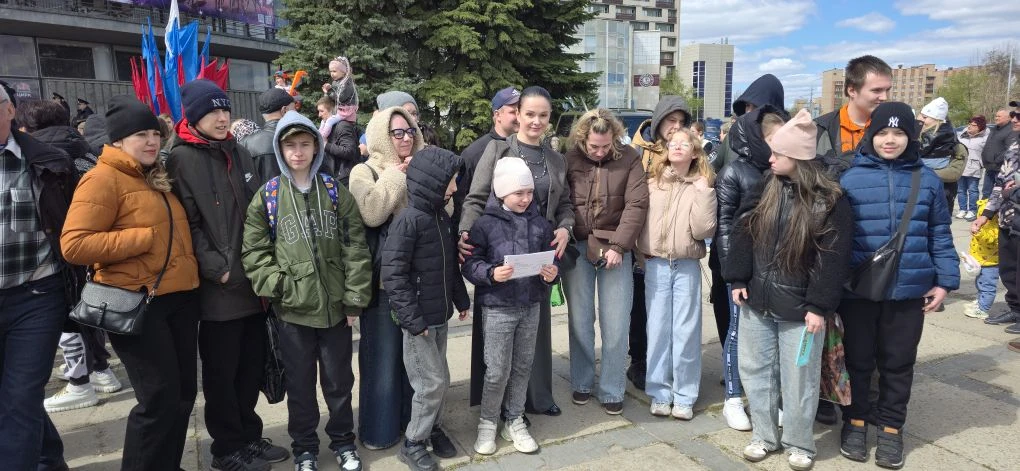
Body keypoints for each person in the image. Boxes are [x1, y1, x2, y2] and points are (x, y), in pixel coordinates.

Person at [60, 95, 200, 471]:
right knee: (158, 399)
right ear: (119, 140)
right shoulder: (102, 179)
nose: (152, 141)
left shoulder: (154, 173)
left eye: (155, 133)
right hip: (136, 304)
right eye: (141, 134)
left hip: (178, 300)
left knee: (182, 395)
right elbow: (74, 245)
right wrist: (140, 238)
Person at [242, 110, 372, 471]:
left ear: (316, 146)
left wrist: (354, 299)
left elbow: (355, 247)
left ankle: (343, 442)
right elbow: (254, 253)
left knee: (339, 383)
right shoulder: (268, 196)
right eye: (290, 146)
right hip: (293, 314)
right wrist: (281, 287)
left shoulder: (334, 191)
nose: (298, 152)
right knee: (300, 387)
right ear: (280, 150)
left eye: (304, 144)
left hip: (335, 311)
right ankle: (304, 449)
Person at [166, 79, 286, 470]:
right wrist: (217, 269)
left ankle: (249, 436)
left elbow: (257, 207)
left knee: (250, 366)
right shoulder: (182, 159)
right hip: (218, 287)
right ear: (194, 117)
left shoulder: (237, 149)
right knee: (222, 373)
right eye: (213, 112)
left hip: (253, 279)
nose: (222, 118)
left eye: (225, 110)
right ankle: (226, 448)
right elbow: (186, 224)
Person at [726, 109, 854, 471]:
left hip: (801, 310)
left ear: (797, 157)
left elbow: (833, 256)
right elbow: (743, 229)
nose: (770, 159)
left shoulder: (830, 199)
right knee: (756, 371)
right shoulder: (766, 185)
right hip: (758, 301)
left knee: (799, 379)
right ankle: (764, 436)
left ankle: (800, 443)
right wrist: (738, 278)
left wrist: (819, 305)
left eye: (778, 153)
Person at [839, 102, 960, 469]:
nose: (889, 140)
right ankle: (855, 422)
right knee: (858, 360)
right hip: (859, 289)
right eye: (882, 133)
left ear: (911, 137)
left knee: (898, 363)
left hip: (909, 289)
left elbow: (940, 232)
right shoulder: (849, 178)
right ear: (871, 135)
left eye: (898, 133)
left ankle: (891, 427)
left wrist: (945, 280)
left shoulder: (927, 179)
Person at [459, 86, 575, 420]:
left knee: (534, 331)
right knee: (499, 340)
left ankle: (534, 398)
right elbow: (476, 197)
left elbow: (565, 205)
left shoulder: (556, 159)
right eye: (530, 114)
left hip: (538, 251)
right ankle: (496, 408)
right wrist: (465, 231)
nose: (536, 121)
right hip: (500, 253)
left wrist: (565, 228)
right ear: (518, 114)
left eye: (543, 115)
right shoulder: (498, 150)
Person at [15, 99, 123, 412]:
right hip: (95, 247)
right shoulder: (86, 149)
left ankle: (80, 382)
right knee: (86, 310)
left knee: (68, 318)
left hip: (59, 253)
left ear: (27, 127)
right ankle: (100, 369)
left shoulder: (40, 157)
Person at [0, 81, 79, 471]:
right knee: (15, 398)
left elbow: (76, 224)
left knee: (20, 397)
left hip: (36, 297)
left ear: (10, 111)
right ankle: (49, 459)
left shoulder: (50, 161)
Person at [382, 147, 470, 471]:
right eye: (451, 182)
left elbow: (449, 266)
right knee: (429, 383)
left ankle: (433, 427)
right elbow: (393, 274)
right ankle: (413, 443)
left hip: (439, 316)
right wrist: (413, 320)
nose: (455, 188)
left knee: (441, 378)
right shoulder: (409, 221)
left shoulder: (441, 218)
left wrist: (461, 299)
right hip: (419, 324)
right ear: (434, 182)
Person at [462, 157, 557, 455]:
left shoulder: (540, 224)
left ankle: (514, 418)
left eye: (529, 192)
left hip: (531, 305)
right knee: (497, 369)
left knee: (523, 365)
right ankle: (488, 421)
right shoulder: (484, 225)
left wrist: (552, 274)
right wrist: (491, 273)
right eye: (519, 193)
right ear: (502, 192)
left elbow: (551, 258)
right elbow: (470, 263)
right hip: (498, 307)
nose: (525, 199)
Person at [563, 108, 648, 415]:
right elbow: (563, 201)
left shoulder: (629, 158)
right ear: (582, 139)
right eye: (593, 146)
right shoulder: (570, 159)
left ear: (614, 138)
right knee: (580, 320)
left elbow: (637, 204)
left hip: (615, 247)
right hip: (578, 245)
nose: (600, 152)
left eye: (605, 146)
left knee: (616, 322)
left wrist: (619, 245)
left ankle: (612, 387)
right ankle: (582, 381)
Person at [348, 105, 423, 450]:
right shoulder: (363, 171)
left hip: (418, 279)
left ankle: (414, 426)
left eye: (409, 131)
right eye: (397, 132)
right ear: (381, 135)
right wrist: (396, 175)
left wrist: (423, 177)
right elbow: (372, 213)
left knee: (415, 363)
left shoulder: (421, 164)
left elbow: (445, 209)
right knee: (382, 360)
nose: (405, 138)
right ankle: (378, 430)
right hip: (382, 283)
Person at [713, 105, 788, 431]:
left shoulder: (785, 170)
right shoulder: (734, 173)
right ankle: (732, 398)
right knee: (737, 332)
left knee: (773, 336)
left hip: (778, 270)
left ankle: (772, 399)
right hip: (744, 269)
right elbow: (725, 228)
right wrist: (734, 274)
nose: (777, 147)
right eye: (773, 140)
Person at [638, 128, 715, 420]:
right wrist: (641, 252)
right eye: (673, 143)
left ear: (695, 152)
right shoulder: (652, 183)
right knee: (657, 330)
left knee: (686, 332)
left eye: (685, 143)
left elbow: (703, 230)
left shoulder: (701, 185)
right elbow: (639, 221)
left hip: (686, 265)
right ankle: (660, 392)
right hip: (656, 264)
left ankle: (684, 395)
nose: (678, 147)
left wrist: (704, 192)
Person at [628, 95, 691, 391]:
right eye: (671, 120)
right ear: (658, 121)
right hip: (640, 243)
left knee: (673, 313)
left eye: (681, 122)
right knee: (641, 306)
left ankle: (669, 365)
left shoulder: (686, 151)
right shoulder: (637, 151)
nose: (675, 127)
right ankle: (639, 360)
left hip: (674, 246)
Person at [456, 87, 520, 261]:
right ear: (497, 115)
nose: (519, 116)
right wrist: (463, 233)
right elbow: (462, 199)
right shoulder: (475, 152)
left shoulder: (527, 148)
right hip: (487, 245)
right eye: (513, 112)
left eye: (520, 111)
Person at [972, 108, 1020, 331]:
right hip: (1008, 219)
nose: (1014, 119)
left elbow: (1010, 188)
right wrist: (986, 214)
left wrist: (1014, 191)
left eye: (1019, 116)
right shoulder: (1014, 147)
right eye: (1014, 115)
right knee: (1009, 269)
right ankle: (1016, 310)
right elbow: (1000, 183)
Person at [815, 55, 893, 175]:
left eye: (887, 90)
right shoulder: (818, 129)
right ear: (852, 90)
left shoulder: (895, 129)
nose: (884, 97)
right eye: (876, 90)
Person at [714, 73, 786, 171]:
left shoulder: (787, 144)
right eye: (747, 105)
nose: (749, 111)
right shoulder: (732, 138)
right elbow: (711, 169)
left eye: (756, 107)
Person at [917, 97, 965, 214]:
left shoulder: (956, 146)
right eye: (920, 115)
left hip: (941, 194)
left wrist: (921, 173)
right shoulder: (912, 139)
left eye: (925, 117)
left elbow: (954, 173)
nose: (920, 119)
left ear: (937, 121)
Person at [240, 88, 296, 184]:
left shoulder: (243, 143)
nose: (296, 113)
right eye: (294, 109)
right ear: (284, 110)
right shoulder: (300, 140)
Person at [315, 96, 361, 187]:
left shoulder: (343, 126)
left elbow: (350, 151)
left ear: (332, 110)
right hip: (333, 177)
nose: (319, 115)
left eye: (322, 111)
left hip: (344, 180)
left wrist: (326, 145)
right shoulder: (328, 127)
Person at [965, 198, 999, 320]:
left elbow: (990, 239)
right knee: (980, 283)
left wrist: (979, 233)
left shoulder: (995, 228)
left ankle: (983, 309)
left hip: (990, 263)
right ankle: (980, 302)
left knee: (987, 287)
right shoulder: (983, 226)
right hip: (980, 260)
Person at [957, 116, 989, 220]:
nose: (970, 126)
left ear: (980, 127)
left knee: (973, 190)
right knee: (961, 190)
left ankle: (972, 210)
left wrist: (982, 164)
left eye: (974, 125)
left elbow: (987, 153)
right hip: (961, 166)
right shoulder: (962, 135)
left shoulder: (985, 138)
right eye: (969, 124)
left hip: (974, 167)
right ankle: (962, 209)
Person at [981, 108, 1018, 199]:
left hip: (1000, 169)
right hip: (989, 168)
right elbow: (988, 145)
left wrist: (996, 160)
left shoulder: (1011, 130)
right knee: (986, 193)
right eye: (996, 116)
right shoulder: (994, 129)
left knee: (998, 195)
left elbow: (1009, 150)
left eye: (999, 116)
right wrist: (984, 157)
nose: (996, 118)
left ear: (1008, 118)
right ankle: (984, 208)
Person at [319, 56, 359, 140]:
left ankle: (321, 138)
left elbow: (340, 98)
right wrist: (329, 89)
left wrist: (329, 91)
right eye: (330, 71)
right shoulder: (336, 82)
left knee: (329, 121)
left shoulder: (347, 83)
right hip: (339, 109)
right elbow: (333, 96)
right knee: (324, 120)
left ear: (343, 72)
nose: (332, 74)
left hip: (346, 111)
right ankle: (318, 134)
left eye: (334, 71)